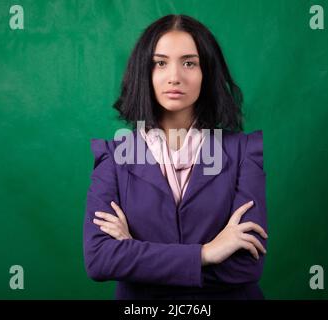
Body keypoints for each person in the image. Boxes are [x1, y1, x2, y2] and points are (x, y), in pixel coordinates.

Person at [83, 14, 268, 300]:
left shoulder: (243, 151)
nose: (174, 77)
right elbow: (99, 259)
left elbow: (246, 267)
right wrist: (207, 253)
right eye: (160, 63)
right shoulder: (114, 155)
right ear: (144, 72)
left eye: (189, 63)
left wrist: (134, 254)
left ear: (207, 72)